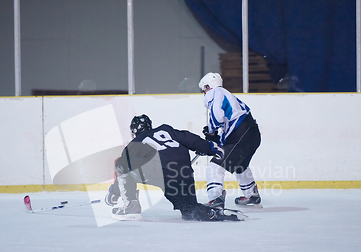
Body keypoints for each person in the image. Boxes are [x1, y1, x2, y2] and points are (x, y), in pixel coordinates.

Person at [104, 114, 241, 221]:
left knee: (121, 163)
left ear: (134, 131)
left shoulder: (135, 143)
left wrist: (114, 192)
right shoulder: (166, 130)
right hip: (185, 174)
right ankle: (214, 212)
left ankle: (131, 207)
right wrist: (210, 148)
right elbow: (190, 139)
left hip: (164, 175)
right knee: (190, 211)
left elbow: (124, 167)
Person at [198, 72, 262, 209]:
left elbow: (217, 116)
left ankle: (215, 199)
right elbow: (229, 124)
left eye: (204, 90)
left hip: (242, 134)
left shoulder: (214, 92)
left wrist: (211, 132)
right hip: (252, 133)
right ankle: (252, 195)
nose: (204, 93)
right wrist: (217, 138)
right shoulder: (228, 95)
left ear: (207, 86)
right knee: (240, 165)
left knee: (215, 166)